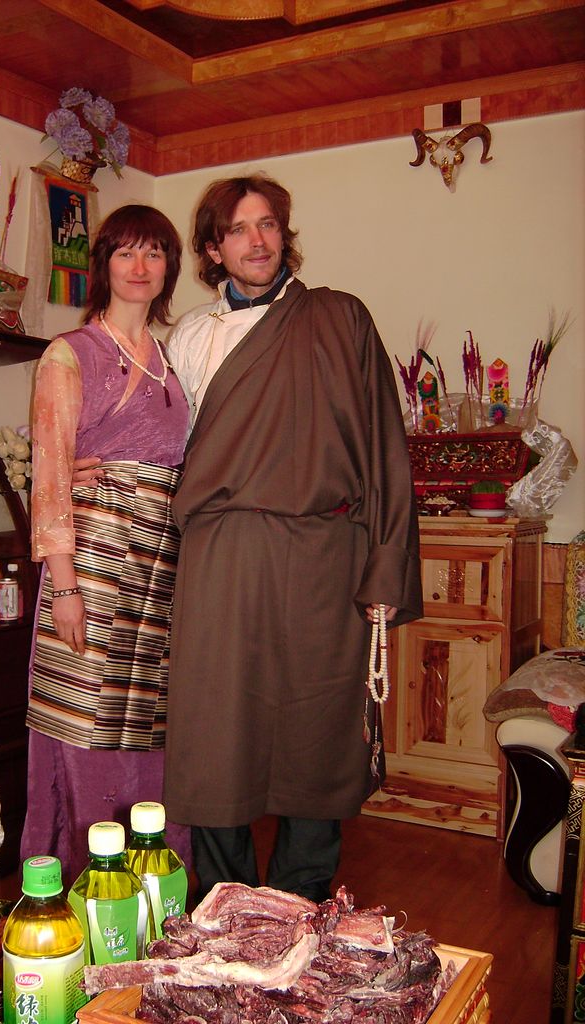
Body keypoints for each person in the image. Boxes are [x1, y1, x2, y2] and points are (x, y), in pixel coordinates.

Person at [161, 174, 423, 902]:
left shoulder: (341, 320)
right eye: (240, 229)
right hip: (222, 555)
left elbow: (384, 450)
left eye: (269, 224)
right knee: (217, 731)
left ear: (285, 233)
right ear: (214, 247)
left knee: (320, 729)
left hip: (321, 555)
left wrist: (385, 568)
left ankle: (300, 906)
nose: (258, 240)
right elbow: (164, 448)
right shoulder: (190, 336)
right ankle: (225, 908)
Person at [20, 204, 191, 884]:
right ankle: (84, 890)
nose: (140, 267)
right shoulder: (69, 354)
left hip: (157, 570)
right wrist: (64, 587)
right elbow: (52, 472)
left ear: (169, 267)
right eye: (126, 253)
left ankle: (155, 892)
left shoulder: (170, 360)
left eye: (154, 253)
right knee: (86, 729)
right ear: (104, 265)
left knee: (148, 732)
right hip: (89, 563)